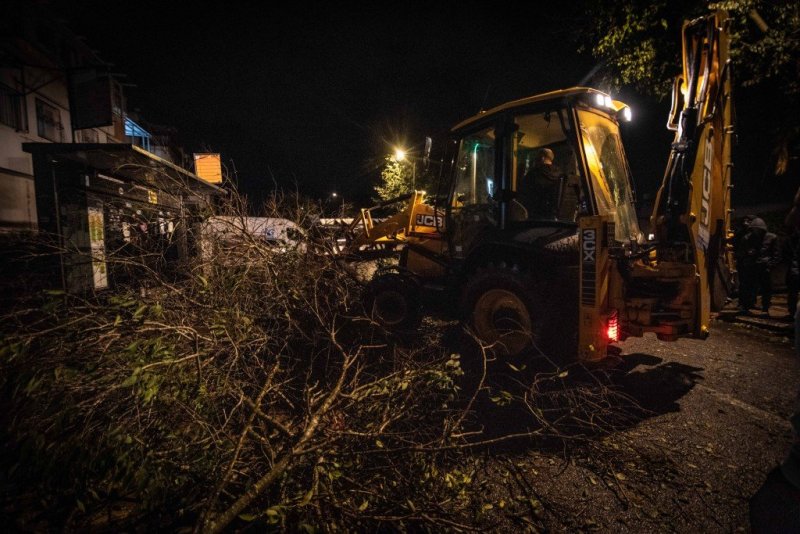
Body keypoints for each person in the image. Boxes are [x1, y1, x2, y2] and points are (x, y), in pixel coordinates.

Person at [519, 147, 561, 220]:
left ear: (542, 158)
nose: (535, 160)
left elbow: (523, 192)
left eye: (536, 158)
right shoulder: (560, 174)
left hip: (536, 217)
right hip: (554, 216)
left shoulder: (534, 174)